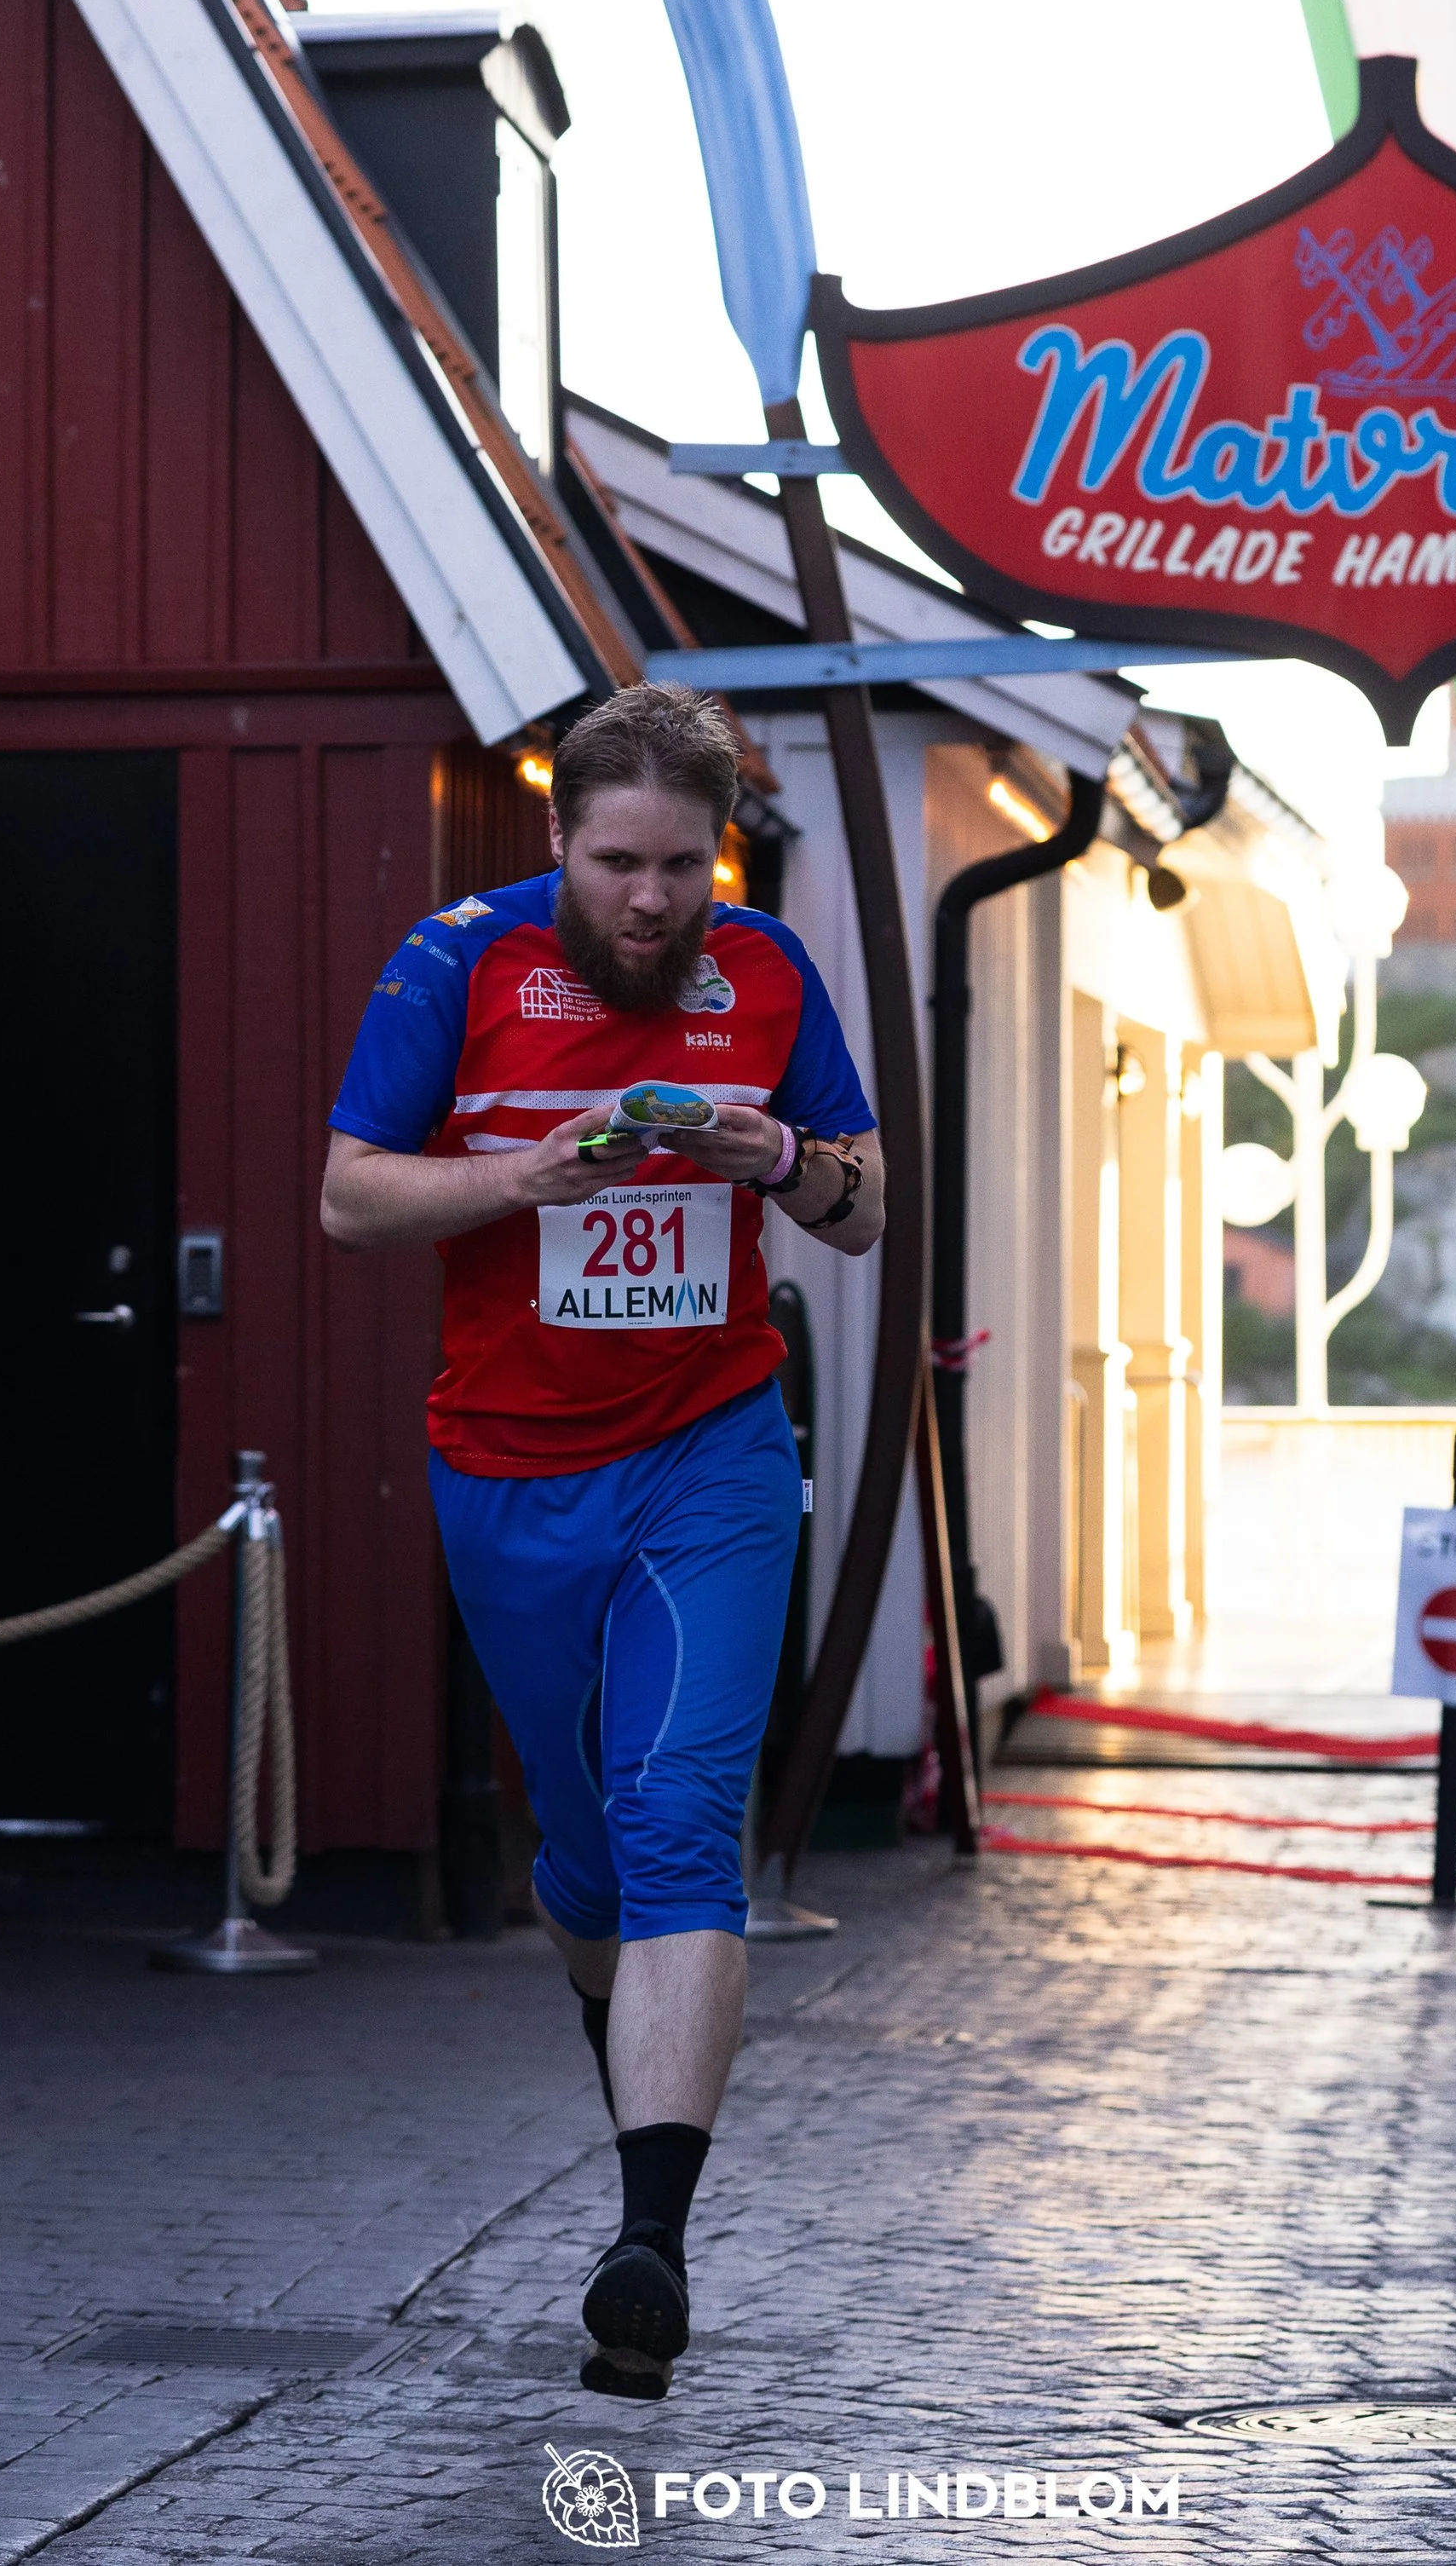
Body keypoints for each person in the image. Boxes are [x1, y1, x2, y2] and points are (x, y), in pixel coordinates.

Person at [319, 684, 883, 2399]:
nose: (652, 900)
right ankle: (619, 2021)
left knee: (678, 1812)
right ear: (556, 841)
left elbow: (862, 1207)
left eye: (683, 866)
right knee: (581, 1853)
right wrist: (521, 1175)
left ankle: (649, 2240)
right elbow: (348, 1193)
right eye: (619, 862)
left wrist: (779, 1151)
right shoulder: (455, 963)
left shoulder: (767, 974)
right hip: (505, 1470)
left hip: (709, 1447)